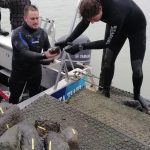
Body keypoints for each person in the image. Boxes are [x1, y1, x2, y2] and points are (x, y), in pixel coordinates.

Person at [55, 0, 149, 112]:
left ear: (100, 9)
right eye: (91, 20)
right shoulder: (91, 5)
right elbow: (85, 23)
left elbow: (107, 43)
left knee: (137, 68)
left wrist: (81, 47)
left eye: (94, 19)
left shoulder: (115, 14)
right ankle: (106, 91)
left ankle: (137, 95)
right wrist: (67, 41)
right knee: (107, 60)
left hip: (135, 27)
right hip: (115, 25)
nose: (93, 22)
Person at [9, 4, 58, 104]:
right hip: (19, 73)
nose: (36, 21)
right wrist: (44, 56)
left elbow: (47, 51)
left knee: (35, 99)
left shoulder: (42, 33)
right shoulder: (18, 33)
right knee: (14, 99)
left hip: (35, 72)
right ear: (25, 18)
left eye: (37, 18)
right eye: (32, 19)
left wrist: (54, 53)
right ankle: (11, 117)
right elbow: (24, 53)